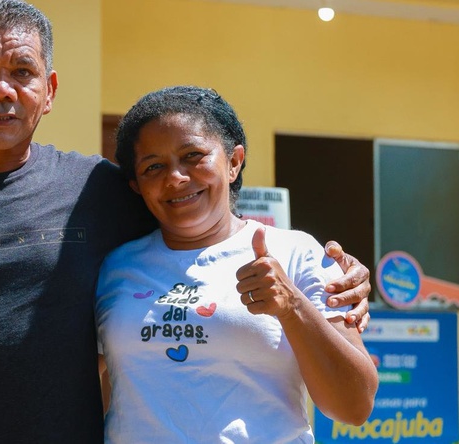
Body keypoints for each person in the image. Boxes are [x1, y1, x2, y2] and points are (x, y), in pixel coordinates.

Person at [0, 1, 371, 442]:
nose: (0, 88)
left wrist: (333, 279)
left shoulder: (99, 191)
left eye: (21, 71)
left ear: (48, 91)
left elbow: (203, 228)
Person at [95, 85, 379, 443]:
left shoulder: (297, 253)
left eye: (193, 155)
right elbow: (90, 395)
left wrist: (292, 306)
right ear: (136, 185)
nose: (176, 178)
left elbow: (354, 408)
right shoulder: (112, 268)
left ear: (233, 161)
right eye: (154, 167)